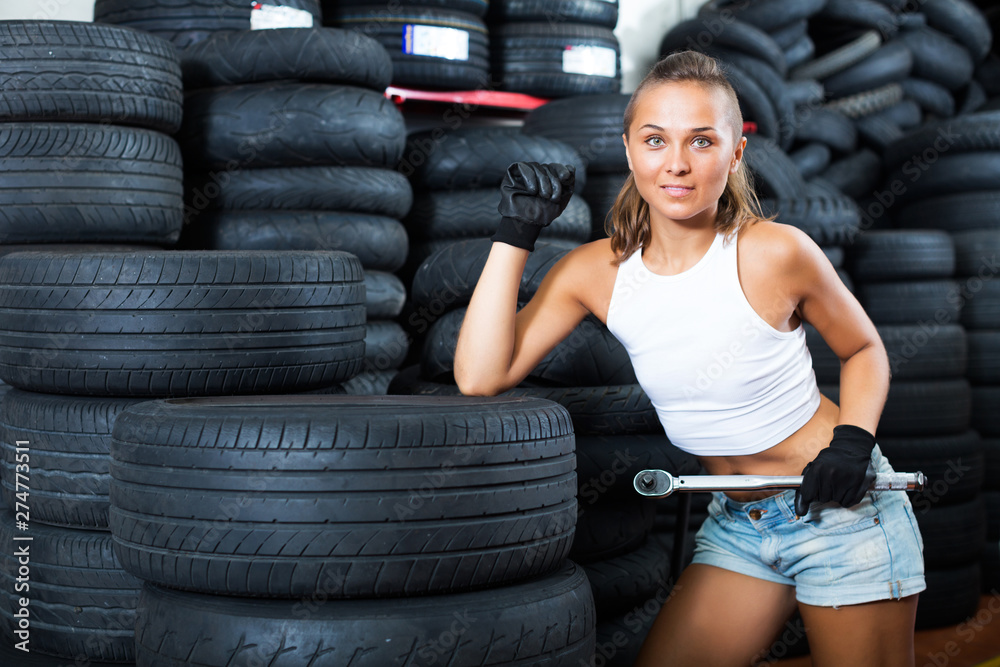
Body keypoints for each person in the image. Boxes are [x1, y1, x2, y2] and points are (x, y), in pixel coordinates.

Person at [453, 50, 925, 666]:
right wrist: (513, 235)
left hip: (842, 509)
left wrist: (853, 443)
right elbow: (479, 376)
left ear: (735, 153)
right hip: (739, 522)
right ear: (629, 150)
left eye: (701, 141)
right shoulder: (595, 271)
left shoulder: (775, 252)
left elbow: (863, 349)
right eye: (655, 140)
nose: (675, 163)